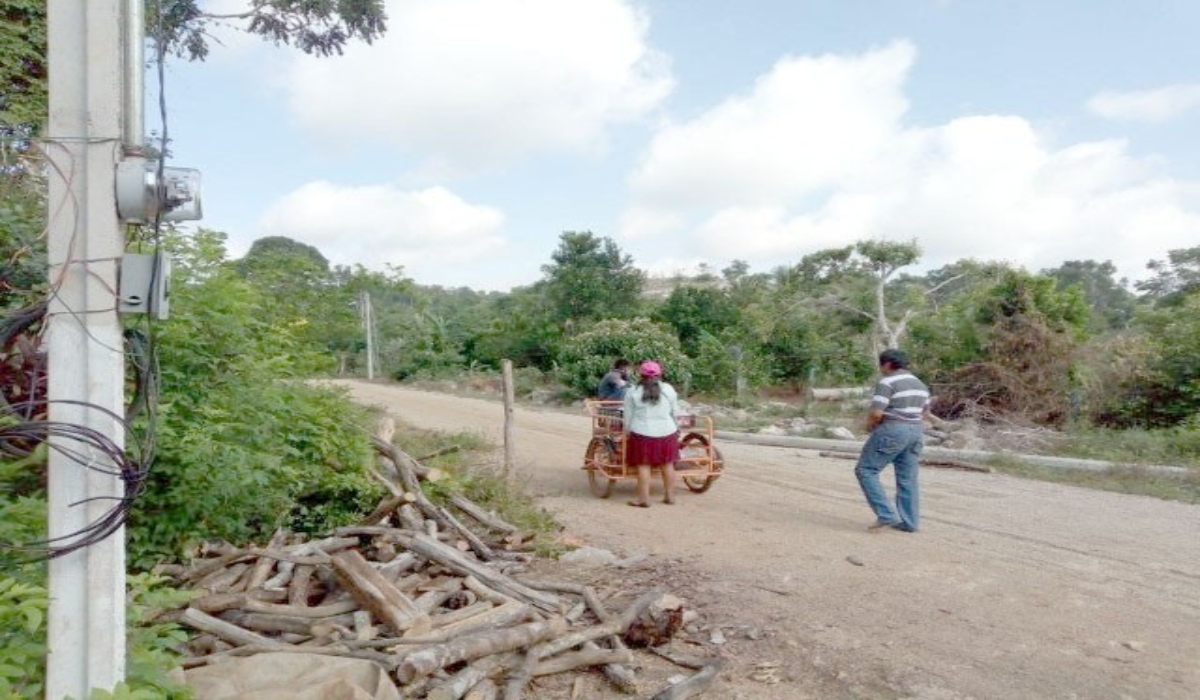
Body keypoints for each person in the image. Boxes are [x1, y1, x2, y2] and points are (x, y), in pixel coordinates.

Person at [854, 348, 931, 532]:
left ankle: (886, 514)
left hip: (893, 428)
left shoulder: (887, 382)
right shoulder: (921, 385)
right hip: (916, 431)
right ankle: (909, 522)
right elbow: (925, 413)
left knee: (866, 469)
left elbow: (877, 412)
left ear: (887, 364)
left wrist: (869, 426)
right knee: (907, 478)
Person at [622, 360, 681, 508]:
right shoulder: (668, 389)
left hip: (642, 432)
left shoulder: (633, 391)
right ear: (660, 374)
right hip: (667, 431)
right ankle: (670, 496)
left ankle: (644, 499)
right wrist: (677, 428)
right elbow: (675, 412)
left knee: (643, 465)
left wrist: (627, 431)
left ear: (640, 375)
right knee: (667, 463)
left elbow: (628, 415)